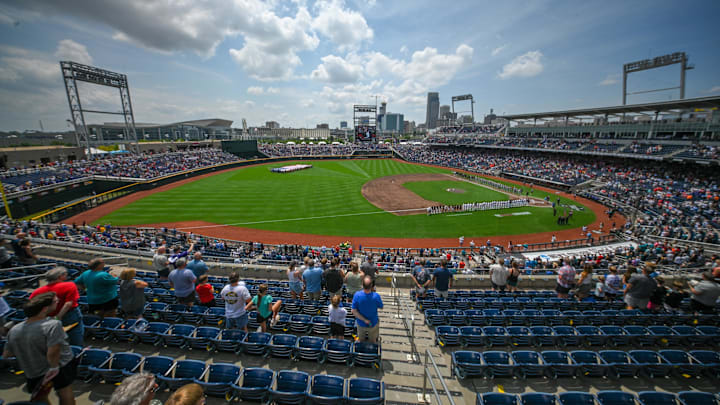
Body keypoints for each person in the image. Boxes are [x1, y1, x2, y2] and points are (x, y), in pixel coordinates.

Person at [3, 293, 77, 405]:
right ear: (44, 309)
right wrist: (54, 367)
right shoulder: (53, 325)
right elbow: (54, 350)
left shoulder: (14, 330)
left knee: (40, 397)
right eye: (55, 302)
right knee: (65, 393)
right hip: (59, 366)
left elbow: (7, 354)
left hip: (33, 369)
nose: (57, 302)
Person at [29, 267, 84, 346]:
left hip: (47, 317)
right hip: (69, 315)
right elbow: (68, 304)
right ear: (60, 276)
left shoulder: (37, 291)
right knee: (75, 334)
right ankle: (77, 350)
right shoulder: (69, 285)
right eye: (65, 274)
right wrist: (58, 317)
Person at [351, 276, 384, 343]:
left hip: (361, 323)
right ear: (371, 285)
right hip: (373, 322)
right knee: (373, 341)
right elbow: (381, 307)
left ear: (362, 285)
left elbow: (354, 311)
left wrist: (364, 320)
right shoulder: (376, 296)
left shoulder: (357, 295)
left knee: (361, 340)